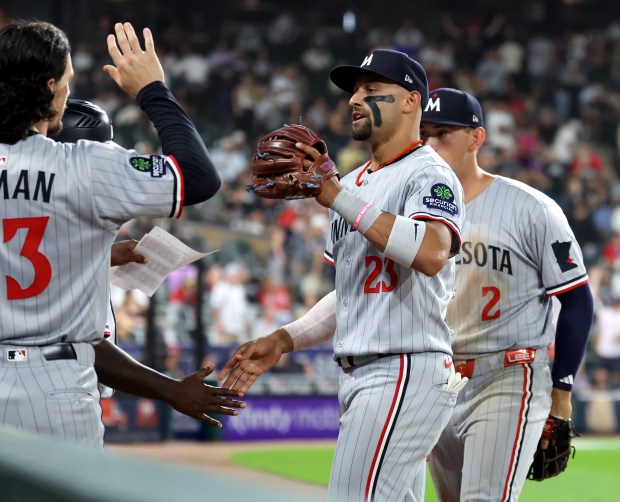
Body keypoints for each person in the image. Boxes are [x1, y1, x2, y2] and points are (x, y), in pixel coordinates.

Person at [219, 49, 466, 502]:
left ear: (412, 101)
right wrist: (283, 339)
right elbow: (349, 296)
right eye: (354, 90)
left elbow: (433, 251)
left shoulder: (430, 173)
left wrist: (335, 196)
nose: (355, 99)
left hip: (404, 366)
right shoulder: (349, 185)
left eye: (372, 90)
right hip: (365, 372)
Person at [0, 20, 244, 448]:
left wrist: (93, 252)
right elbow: (199, 176)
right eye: (68, 83)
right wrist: (153, 90)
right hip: (55, 384)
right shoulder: (83, 164)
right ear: (50, 85)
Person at [419, 88, 593, 501]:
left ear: (476, 139)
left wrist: (562, 393)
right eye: (423, 133)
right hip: (442, 380)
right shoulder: (416, 213)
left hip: (509, 373)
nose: (428, 144)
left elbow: (577, 298)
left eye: (442, 133)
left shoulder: (532, 208)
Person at [53, 99, 245, 422]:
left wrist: (103, 257)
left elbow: (49, 259)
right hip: (61, 397)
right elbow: (199, 176)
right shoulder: (84, 179)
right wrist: (171, 389)